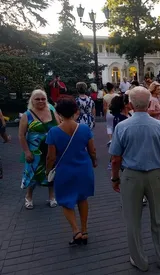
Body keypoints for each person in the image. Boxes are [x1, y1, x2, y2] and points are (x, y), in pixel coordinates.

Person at [109, 86, 160, 272]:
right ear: (148, 104)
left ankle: (139, 260)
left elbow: (115, 158)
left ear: (130, 104)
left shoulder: (122, 127)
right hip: (155, 174)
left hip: (131, 176)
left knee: (132, 219)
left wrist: (115, 179)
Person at [45, 98, 96, 245]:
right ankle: (85, 230)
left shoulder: (53, 132)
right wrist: (94, 161)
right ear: (76, 111)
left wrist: (48, 171)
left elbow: (51, 156)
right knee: (83, 198)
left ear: (59, 113)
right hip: (83, 168)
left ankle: (76, 231)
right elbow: (92, 150)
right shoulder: (85, 129)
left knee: (66, 201)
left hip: (64, 170)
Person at [19, 90, 60, 209]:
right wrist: (26, 151)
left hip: (51, 150)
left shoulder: (52, 111)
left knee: (51, 172)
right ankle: (29, 197)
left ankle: (52, 197)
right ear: (32, 100)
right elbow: (21, 135)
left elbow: (59, 127)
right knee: (32, 174)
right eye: (37, 99)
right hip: (34, 151)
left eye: (43, 98)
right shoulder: (27, 115)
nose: (41, 101)